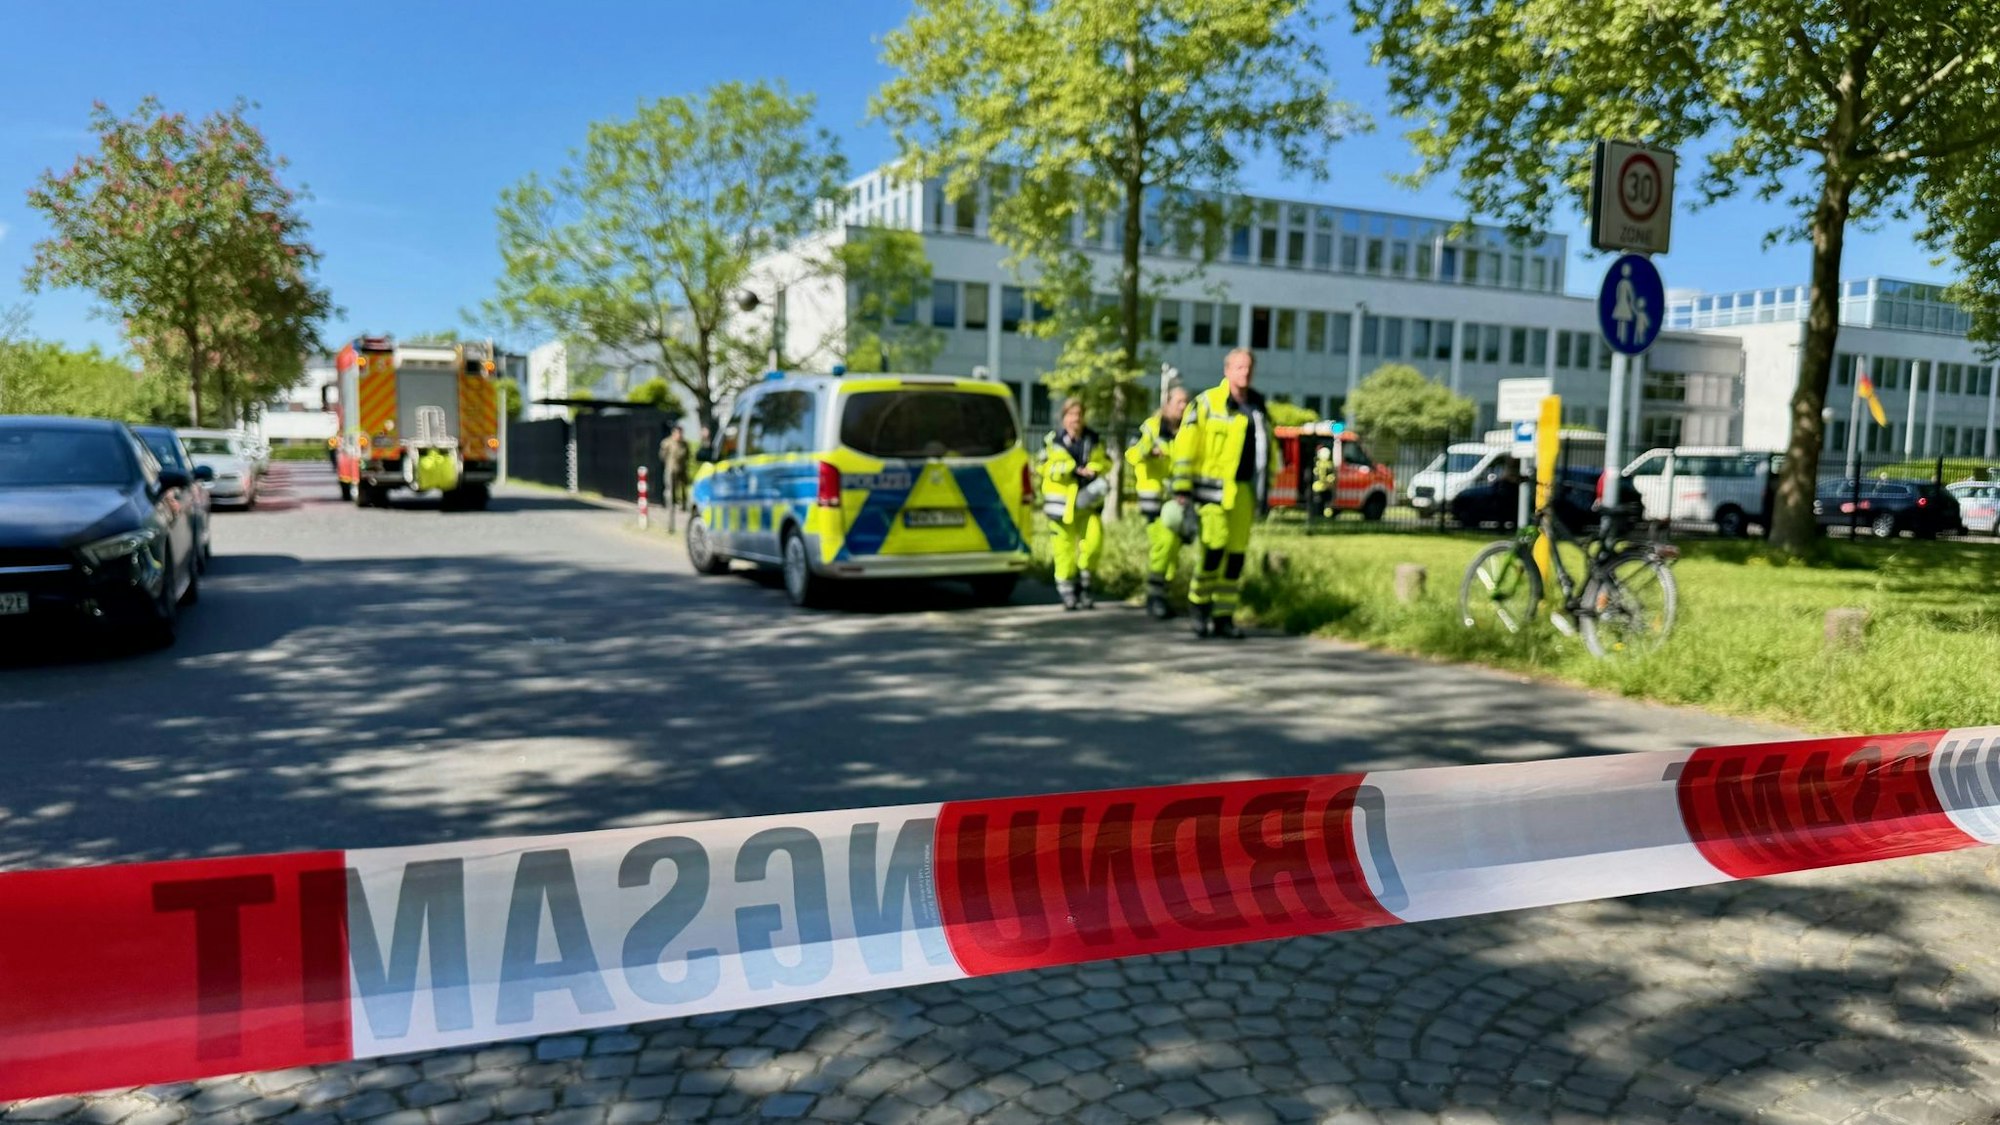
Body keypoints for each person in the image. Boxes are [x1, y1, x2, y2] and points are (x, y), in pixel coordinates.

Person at [1171, 347, 1275, 639]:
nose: (1245, 373)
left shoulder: (1257, 406)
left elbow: (1268, 451)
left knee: (1236, 556)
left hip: (1243, 491)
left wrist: (1268, 488)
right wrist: (1182, 487)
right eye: (1239, 368)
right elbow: (1185, 446)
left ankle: (1224, 616)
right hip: (1209, 494)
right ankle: (1199, 605)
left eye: (1249, 368)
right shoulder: (1206, 403)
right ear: (1227, 370)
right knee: (1214, 549)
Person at [1041, 397, 1111, 611]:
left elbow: (1107, 461)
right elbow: (1042, 467)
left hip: (1087, 503)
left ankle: (1085, 585)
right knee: (1063, 550)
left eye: (1079, 415)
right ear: (1063, 418)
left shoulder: (1093, 439)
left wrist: (1095, 468)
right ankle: (1067, 592)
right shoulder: (1053, 442)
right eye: (1071, 415)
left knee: (1093, 543)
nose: (1075, 420)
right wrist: (1070, 469)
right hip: (1061, 506)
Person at [1127, 384, 1190, 618]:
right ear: (1167, 404)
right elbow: (1131, 454)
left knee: (1172, 544)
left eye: (1186, 402)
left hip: (1176, 499)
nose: (1183, 406)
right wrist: (1147, 450)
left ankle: (1163, 590)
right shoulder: (1151, 427)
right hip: (1153, 498)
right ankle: (1155, 595)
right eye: (1178, 402)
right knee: (1163, 543)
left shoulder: (1187, 430)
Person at [659, 426, 690, 531]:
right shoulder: (667, 443)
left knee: (684, 490)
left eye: (681, 433)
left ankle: (684, 506)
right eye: (677, 433)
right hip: (671, 470)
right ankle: (670, 516)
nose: (679, 435)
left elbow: (688, 456)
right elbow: (662, 456)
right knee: (670, 493)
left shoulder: (685, 444)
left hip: (682, 470)